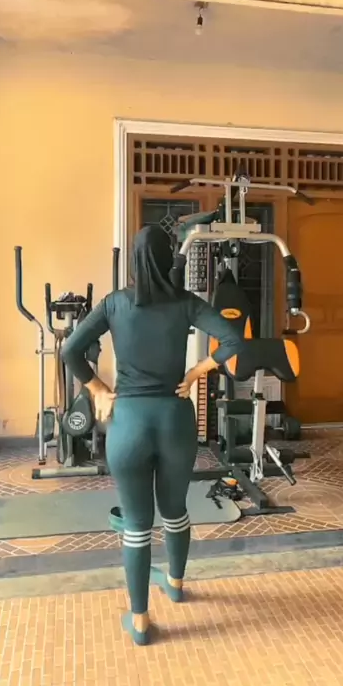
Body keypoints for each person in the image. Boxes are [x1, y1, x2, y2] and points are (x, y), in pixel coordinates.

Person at [61, 225, 244, 646]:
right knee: (175, 511)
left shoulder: (114, 303)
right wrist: (197, 372)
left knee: (137, 525)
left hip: (128, 422)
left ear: (133, 262)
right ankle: (175, 585)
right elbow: (233, 339)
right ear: (167, 259)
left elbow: (71, 350)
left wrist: (98, 389)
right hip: (175, 419)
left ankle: (141, 621)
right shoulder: (185, 303)